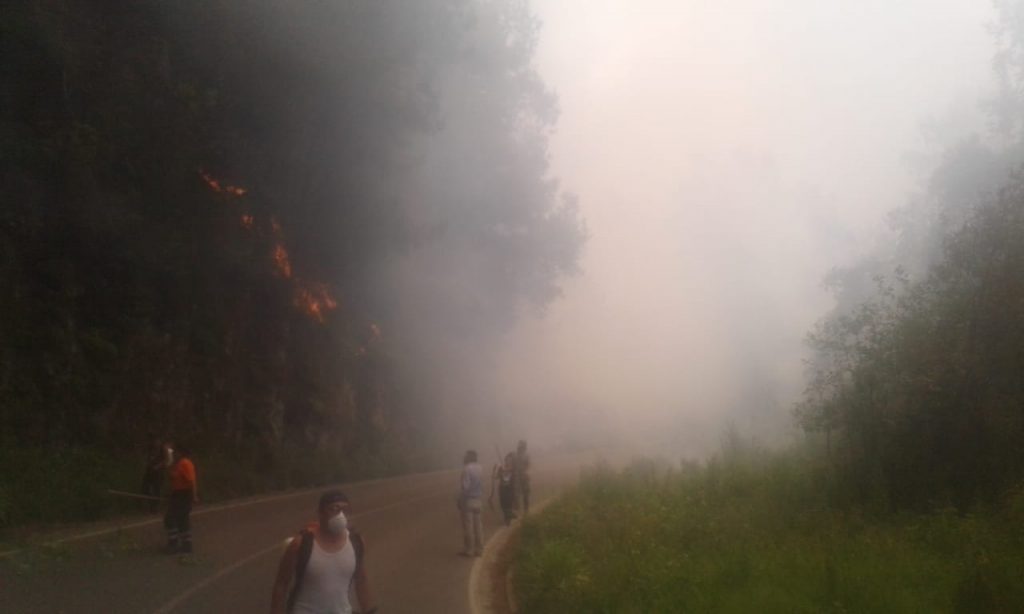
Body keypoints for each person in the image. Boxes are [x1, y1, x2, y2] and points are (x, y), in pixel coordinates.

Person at [270, 490, 377, 614]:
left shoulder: (356, 543)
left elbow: (361, 579)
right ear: (320, 513)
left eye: (344, 510)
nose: (340, 515)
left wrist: (368, 610)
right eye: (334, 509)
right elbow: (281, 585)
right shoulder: (301, 544)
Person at [163, 443, 198, 554]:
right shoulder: (179, 464)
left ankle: (174, 544)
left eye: (175, 452)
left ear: (180, 452)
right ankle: (186, 545)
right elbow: (174, 477)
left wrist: (194, 496)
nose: (174, 454)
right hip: (178, 494)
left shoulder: (185, 463)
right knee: (182, 519)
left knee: (170, 518)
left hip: (184, 494)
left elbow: (191, 481)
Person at [457, 449, 484, 556]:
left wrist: (460, 499)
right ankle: (480, 549)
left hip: (469, 500)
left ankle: (469, 549)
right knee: (478, 526)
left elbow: (465, 487)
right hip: (478, 500)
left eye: (466, 455)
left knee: (468, 526)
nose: (464, 457)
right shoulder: (480, 468)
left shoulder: (467, 469)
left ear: (469, 457)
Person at [141, 436, 171, 512]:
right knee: (145, 487)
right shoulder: (150, 448)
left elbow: (167, 460)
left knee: (156, 489)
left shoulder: (163, 449)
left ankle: (155, 507)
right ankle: (148, 504)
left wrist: (158, 466)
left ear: (159, 441)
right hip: (150, 470)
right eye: (153, 441)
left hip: (159, 472)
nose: (155, 442)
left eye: (157, 441)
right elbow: (147, 458)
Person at [489, 452, 518, 527]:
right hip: (502, 490)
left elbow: (511, 480)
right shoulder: (501, 468)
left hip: (509, 490)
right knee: (503, 505)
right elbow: (496, 477)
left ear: (512, 461)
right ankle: (508, 517)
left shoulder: (513, 470)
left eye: (510, 460)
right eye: (507, 459)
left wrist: (506, 471)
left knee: (508, 504)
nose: (508, 461)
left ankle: (508, 519)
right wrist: (494, 470)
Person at [514, 440, 531, 515]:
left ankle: (526, 510)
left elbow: (528, 466)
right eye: (519, 446)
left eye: (522, 446)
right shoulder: (515, 455)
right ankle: (518, 509)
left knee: (525, 494)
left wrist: (526, 473)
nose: (520, 447)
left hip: (524, 476)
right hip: (517, 476)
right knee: (516, 494)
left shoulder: (526, 455)